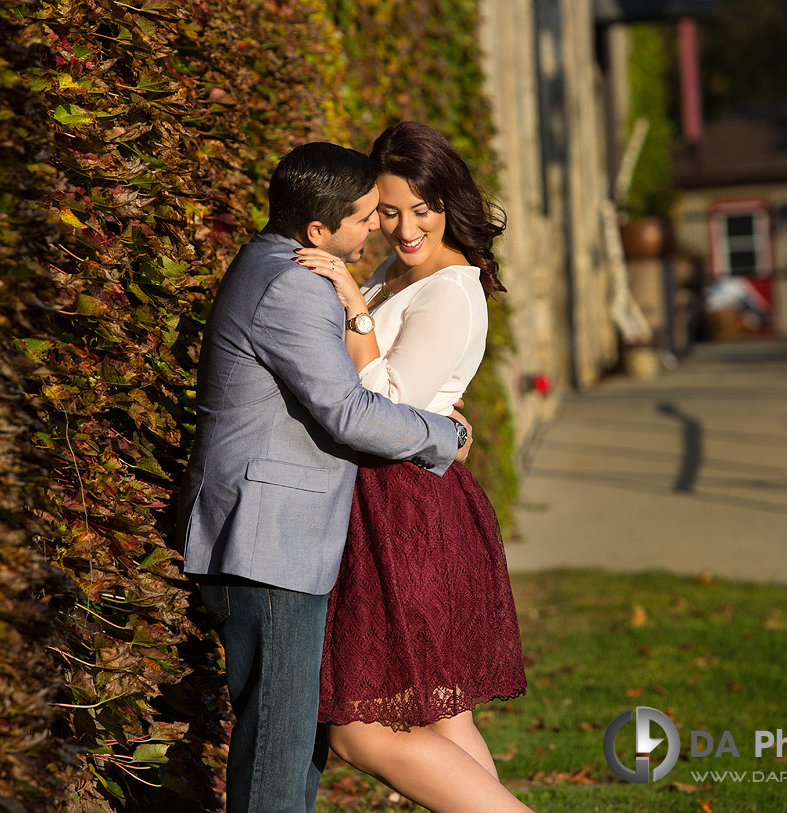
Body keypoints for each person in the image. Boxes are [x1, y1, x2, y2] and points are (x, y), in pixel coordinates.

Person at [174, 141, 475, 813]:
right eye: (368, 216)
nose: (381, 229)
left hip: (275, 542)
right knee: (278, 761)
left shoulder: (276, 264)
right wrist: (445, 434)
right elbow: (347, 411)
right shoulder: (294, 285)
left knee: (293, 748)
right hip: (269, 544)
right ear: (319, 230)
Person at [295, 121, 530, 812]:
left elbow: (387, 404)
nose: (404, 228)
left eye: (419, 211)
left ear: (446, 203)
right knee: (441, 715)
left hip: (409, 513)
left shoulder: (450, 288)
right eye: (389, 210)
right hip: (389, 506)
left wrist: (354, 311)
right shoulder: (399, 270)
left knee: (360, 729)